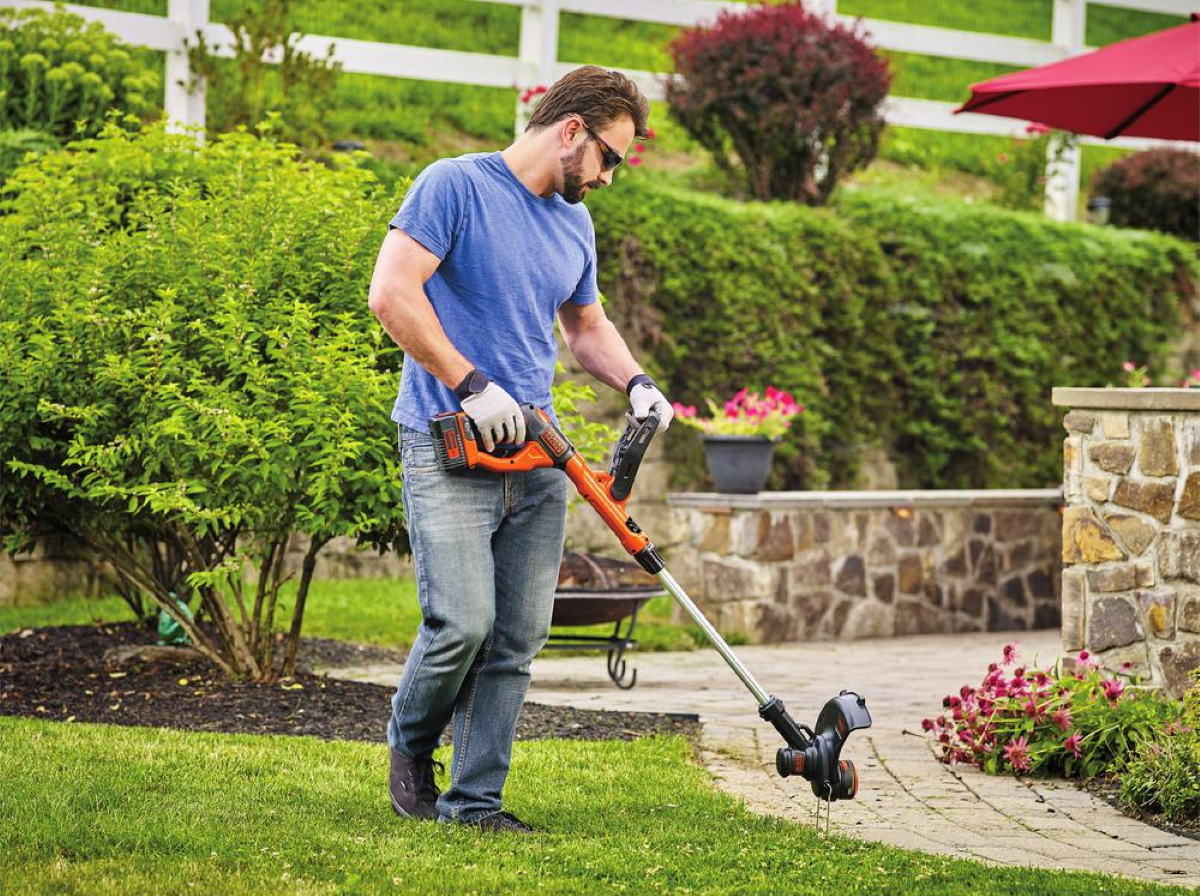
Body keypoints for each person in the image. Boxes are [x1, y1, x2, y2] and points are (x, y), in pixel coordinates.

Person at [367, 65, 674, 834]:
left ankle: (475, 805)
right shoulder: (454, 186)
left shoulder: (574, 223)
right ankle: (410, 741)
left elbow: (586, 328)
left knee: (514, 640)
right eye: (611, 157)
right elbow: (391, 294)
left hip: (534, 453)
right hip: (447, 438)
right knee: (462, 624)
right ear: (572, 130)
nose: (609, 176)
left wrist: (637, 381)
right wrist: (470, 382)